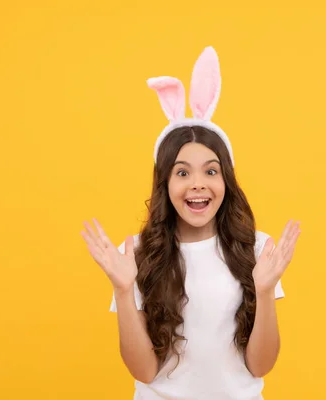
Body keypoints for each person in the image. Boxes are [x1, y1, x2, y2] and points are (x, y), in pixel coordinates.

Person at [80, 46, 301, 400]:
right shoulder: (135, 255)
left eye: (211, 171)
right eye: (182, 172)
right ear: (165, 184)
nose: (198, 183)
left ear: (225, 181)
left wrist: (264, 292)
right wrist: (123, 290)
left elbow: (261, 366)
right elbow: (144, 371)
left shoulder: (258, 249)